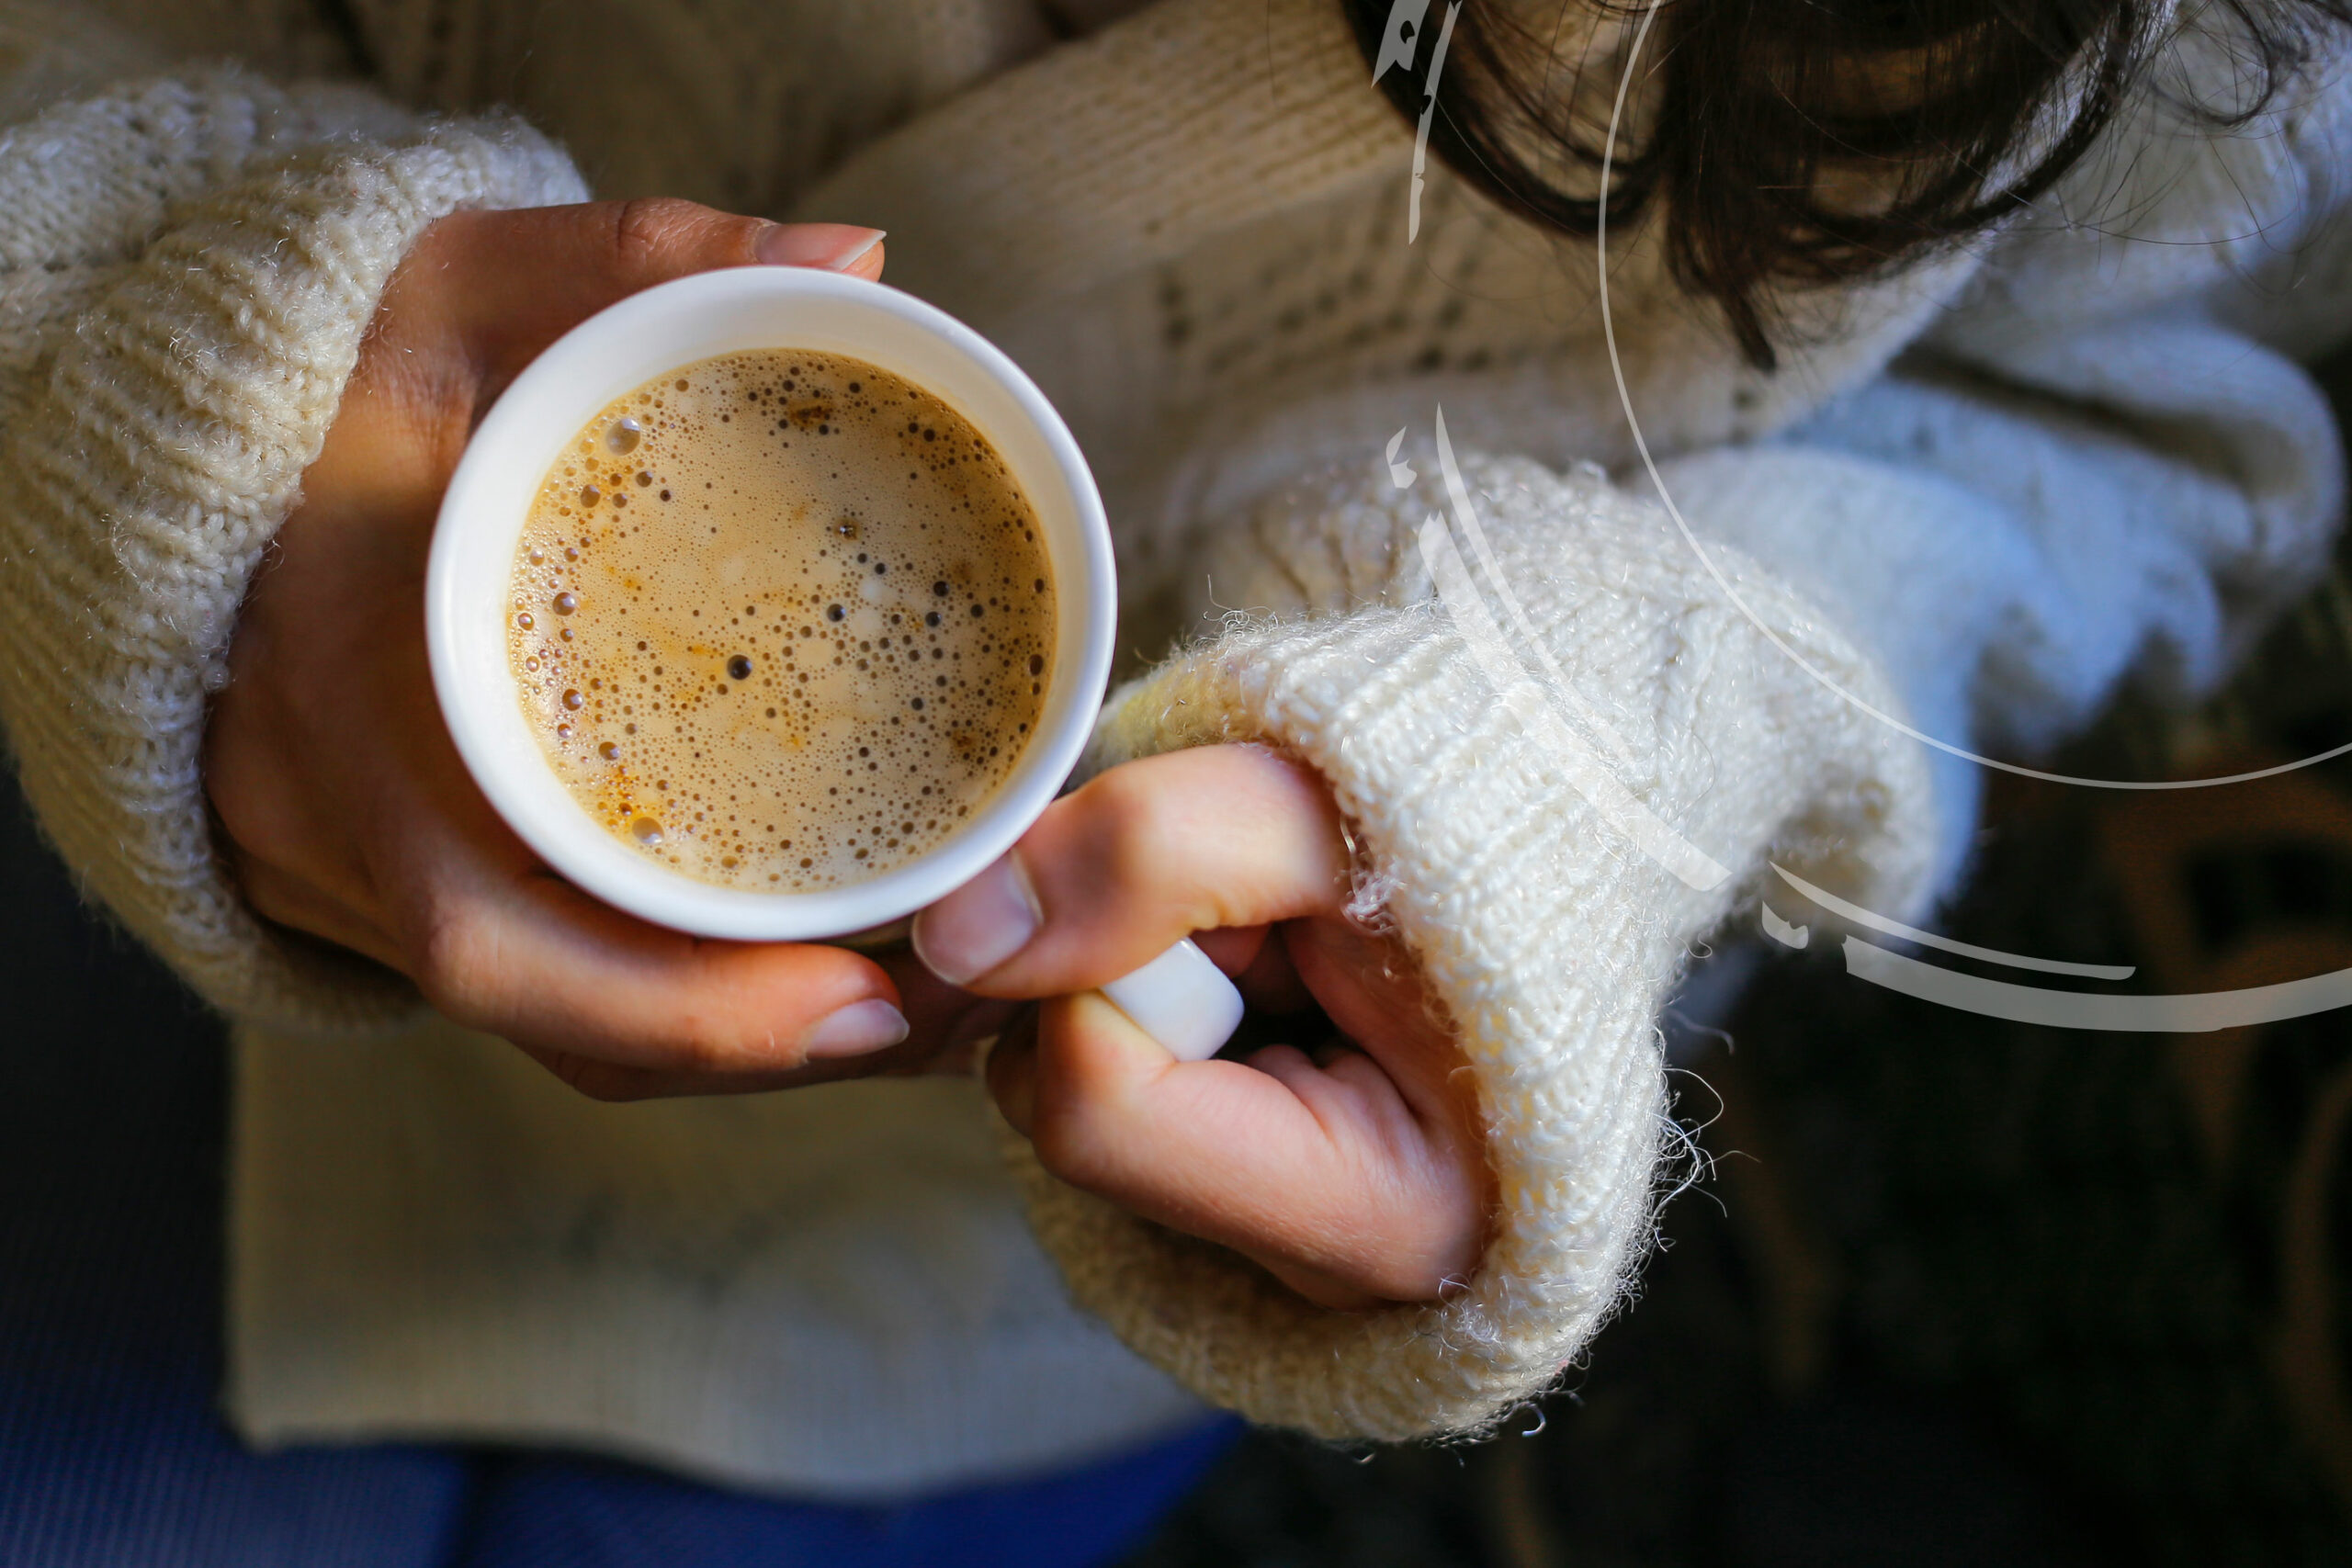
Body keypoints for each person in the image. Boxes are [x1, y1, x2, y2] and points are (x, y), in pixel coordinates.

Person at [0, 0, 2346, 1559]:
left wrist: (1555, 752)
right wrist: (161, 358)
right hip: (182, 856)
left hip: (1006, 1274)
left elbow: (2139, 447)